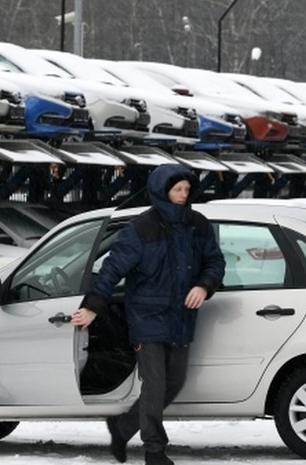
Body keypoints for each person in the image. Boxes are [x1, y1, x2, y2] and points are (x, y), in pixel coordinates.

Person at [71, 164, 225, 465]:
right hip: (146, 315)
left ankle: (123, 426)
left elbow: (215, 263)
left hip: (181, 316)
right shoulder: (141, 228)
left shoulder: (199, 225)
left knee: (175, 381)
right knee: (154, 382)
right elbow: (112, 269)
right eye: (177, 189)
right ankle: (154, 450)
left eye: (186, 189)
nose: (183, 195)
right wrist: (92, 307)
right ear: (161, 190)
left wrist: (204, 286)